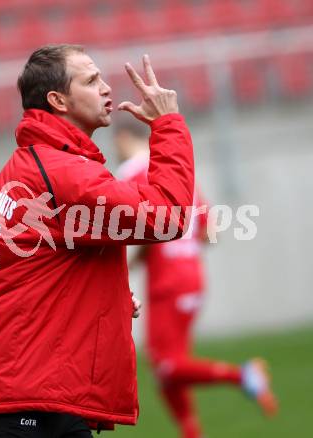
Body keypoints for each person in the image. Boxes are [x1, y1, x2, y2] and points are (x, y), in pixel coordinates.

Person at [0, 44, 195, 438]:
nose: (105, 88)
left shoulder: (27, 169)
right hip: (23, 392)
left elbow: (31, 274)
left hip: (29, 384)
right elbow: (167, 218)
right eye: (91, 80)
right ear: (57, 100)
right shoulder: (63, 173)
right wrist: (168, 125)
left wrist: (100, 295)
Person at [114, 123, 278, 438]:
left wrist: (138, 260)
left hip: (168, 282)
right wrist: (181, 245)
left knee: (165, 365)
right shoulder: (177, 177)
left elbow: (143, 228)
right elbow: (210, 230)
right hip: (192, 277)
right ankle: (191, 433)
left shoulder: (133, 172)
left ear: (123, 138)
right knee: (170, 370)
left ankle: (243, 376)